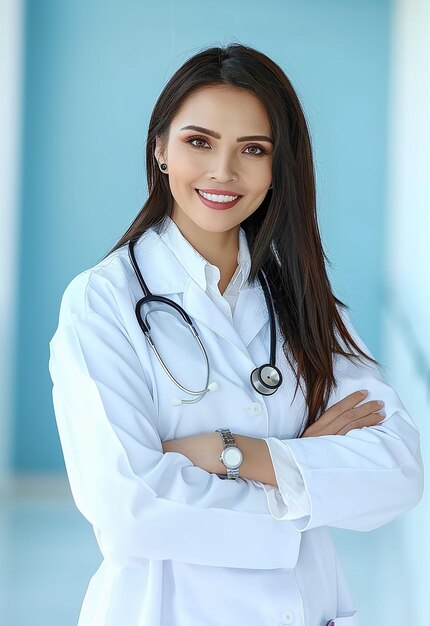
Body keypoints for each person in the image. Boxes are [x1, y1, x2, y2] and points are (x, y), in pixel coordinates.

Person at [48, 43, 424, 626]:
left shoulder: (305, 303)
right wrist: (306, 472)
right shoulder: (102, 302)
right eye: (200, 142)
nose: (224, 172)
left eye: (254, 150)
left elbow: (396, 470)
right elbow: (128, 508)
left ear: (279, 168)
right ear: (161, 150)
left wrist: (224, 452)